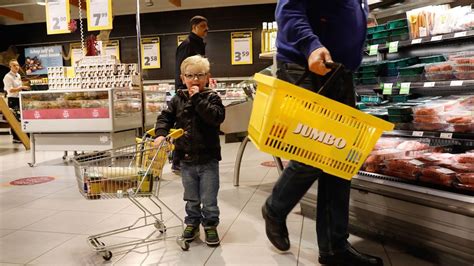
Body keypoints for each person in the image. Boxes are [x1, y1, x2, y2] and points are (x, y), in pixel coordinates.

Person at [261, 1, 384, 266]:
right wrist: (311, 44)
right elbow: (289, 9)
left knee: (340, 160)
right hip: (307, 65)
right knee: (313, 151)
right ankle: (275, 207)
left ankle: (334, 247)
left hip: (338, 71)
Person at [154, 55, 225, 247]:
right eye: (190, 75)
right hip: (185, 159)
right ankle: (192, 222)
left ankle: (210, 225)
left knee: (209, 198)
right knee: (191, 196)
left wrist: (197, 98)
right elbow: (165, 117)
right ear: (182, 77)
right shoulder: (177, 99)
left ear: (207, 77)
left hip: (208, 158)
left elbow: (216, 118)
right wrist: (161, 134)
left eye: (199, 75)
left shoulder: (212, 97)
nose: (195, 79)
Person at [172, 15, 209, 174]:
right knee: (182, 125)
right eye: (202, 26)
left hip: (196, 90)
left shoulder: (198, 44)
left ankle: (191, 158)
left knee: (194, 125)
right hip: (186, 91)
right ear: (194, 27)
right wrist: (182, 89)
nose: (206, 29)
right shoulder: (187, 45)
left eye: (206, 26)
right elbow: (181, 69)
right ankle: (177, 161)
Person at [3, 59, 30, 143]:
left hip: (19, 98)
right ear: (10, 66)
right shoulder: (7, 77)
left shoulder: (18, 75)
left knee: (21, 118)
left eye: (17, 65)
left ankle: (23, 136)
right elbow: (10, 90)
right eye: (14, 65)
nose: (16, 67)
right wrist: (21, 88)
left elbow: (18, 88)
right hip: (12, 100)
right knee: (15, 119)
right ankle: (16, 137)